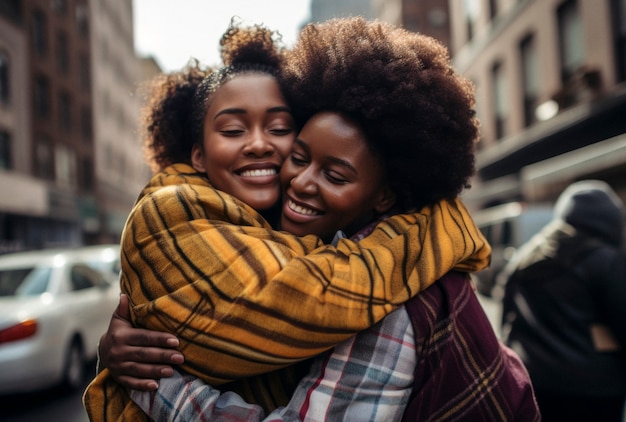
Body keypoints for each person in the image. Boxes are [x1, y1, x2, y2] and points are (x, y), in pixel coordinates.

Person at [99, 17, 538, 421]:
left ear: (384, 193)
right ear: (196, 153)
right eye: (302, 157)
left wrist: (153, 387)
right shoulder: (188, 212)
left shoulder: (392, 299)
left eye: (279, 128)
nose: (300, 180)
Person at [499, 179, 626, 421]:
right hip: (595, 389)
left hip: (535, 382)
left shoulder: (527, 256)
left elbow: (506, 321)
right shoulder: (606, 260)